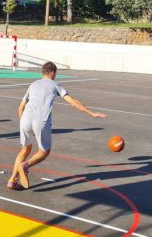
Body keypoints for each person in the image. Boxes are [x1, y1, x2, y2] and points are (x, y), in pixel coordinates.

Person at [8, 62, 107, 190]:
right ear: (53, 73)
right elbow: (73, 102)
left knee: (25, 149)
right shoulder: (55, 85)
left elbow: (21, 107)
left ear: (43, 72)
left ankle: (12, 180)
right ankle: (26, 165)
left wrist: (23, 123)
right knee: (44, 151)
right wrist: (91, 113)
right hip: (41, 120)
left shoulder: (33, 85)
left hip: (25, 119)